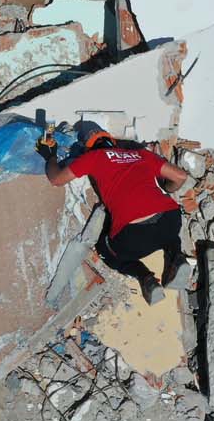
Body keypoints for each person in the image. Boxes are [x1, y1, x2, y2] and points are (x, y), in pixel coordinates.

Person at [40, 121, 192, 303]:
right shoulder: (140, 154)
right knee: (168, 232)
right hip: (170, 218)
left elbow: (56, 179)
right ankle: (176, 257)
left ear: (88, 147)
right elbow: (181, 176)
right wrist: (166, 188)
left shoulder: (93, 157)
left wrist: (50, 156)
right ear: (112, 141)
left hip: (135, 237)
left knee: (105, 251)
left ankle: (145, 277)